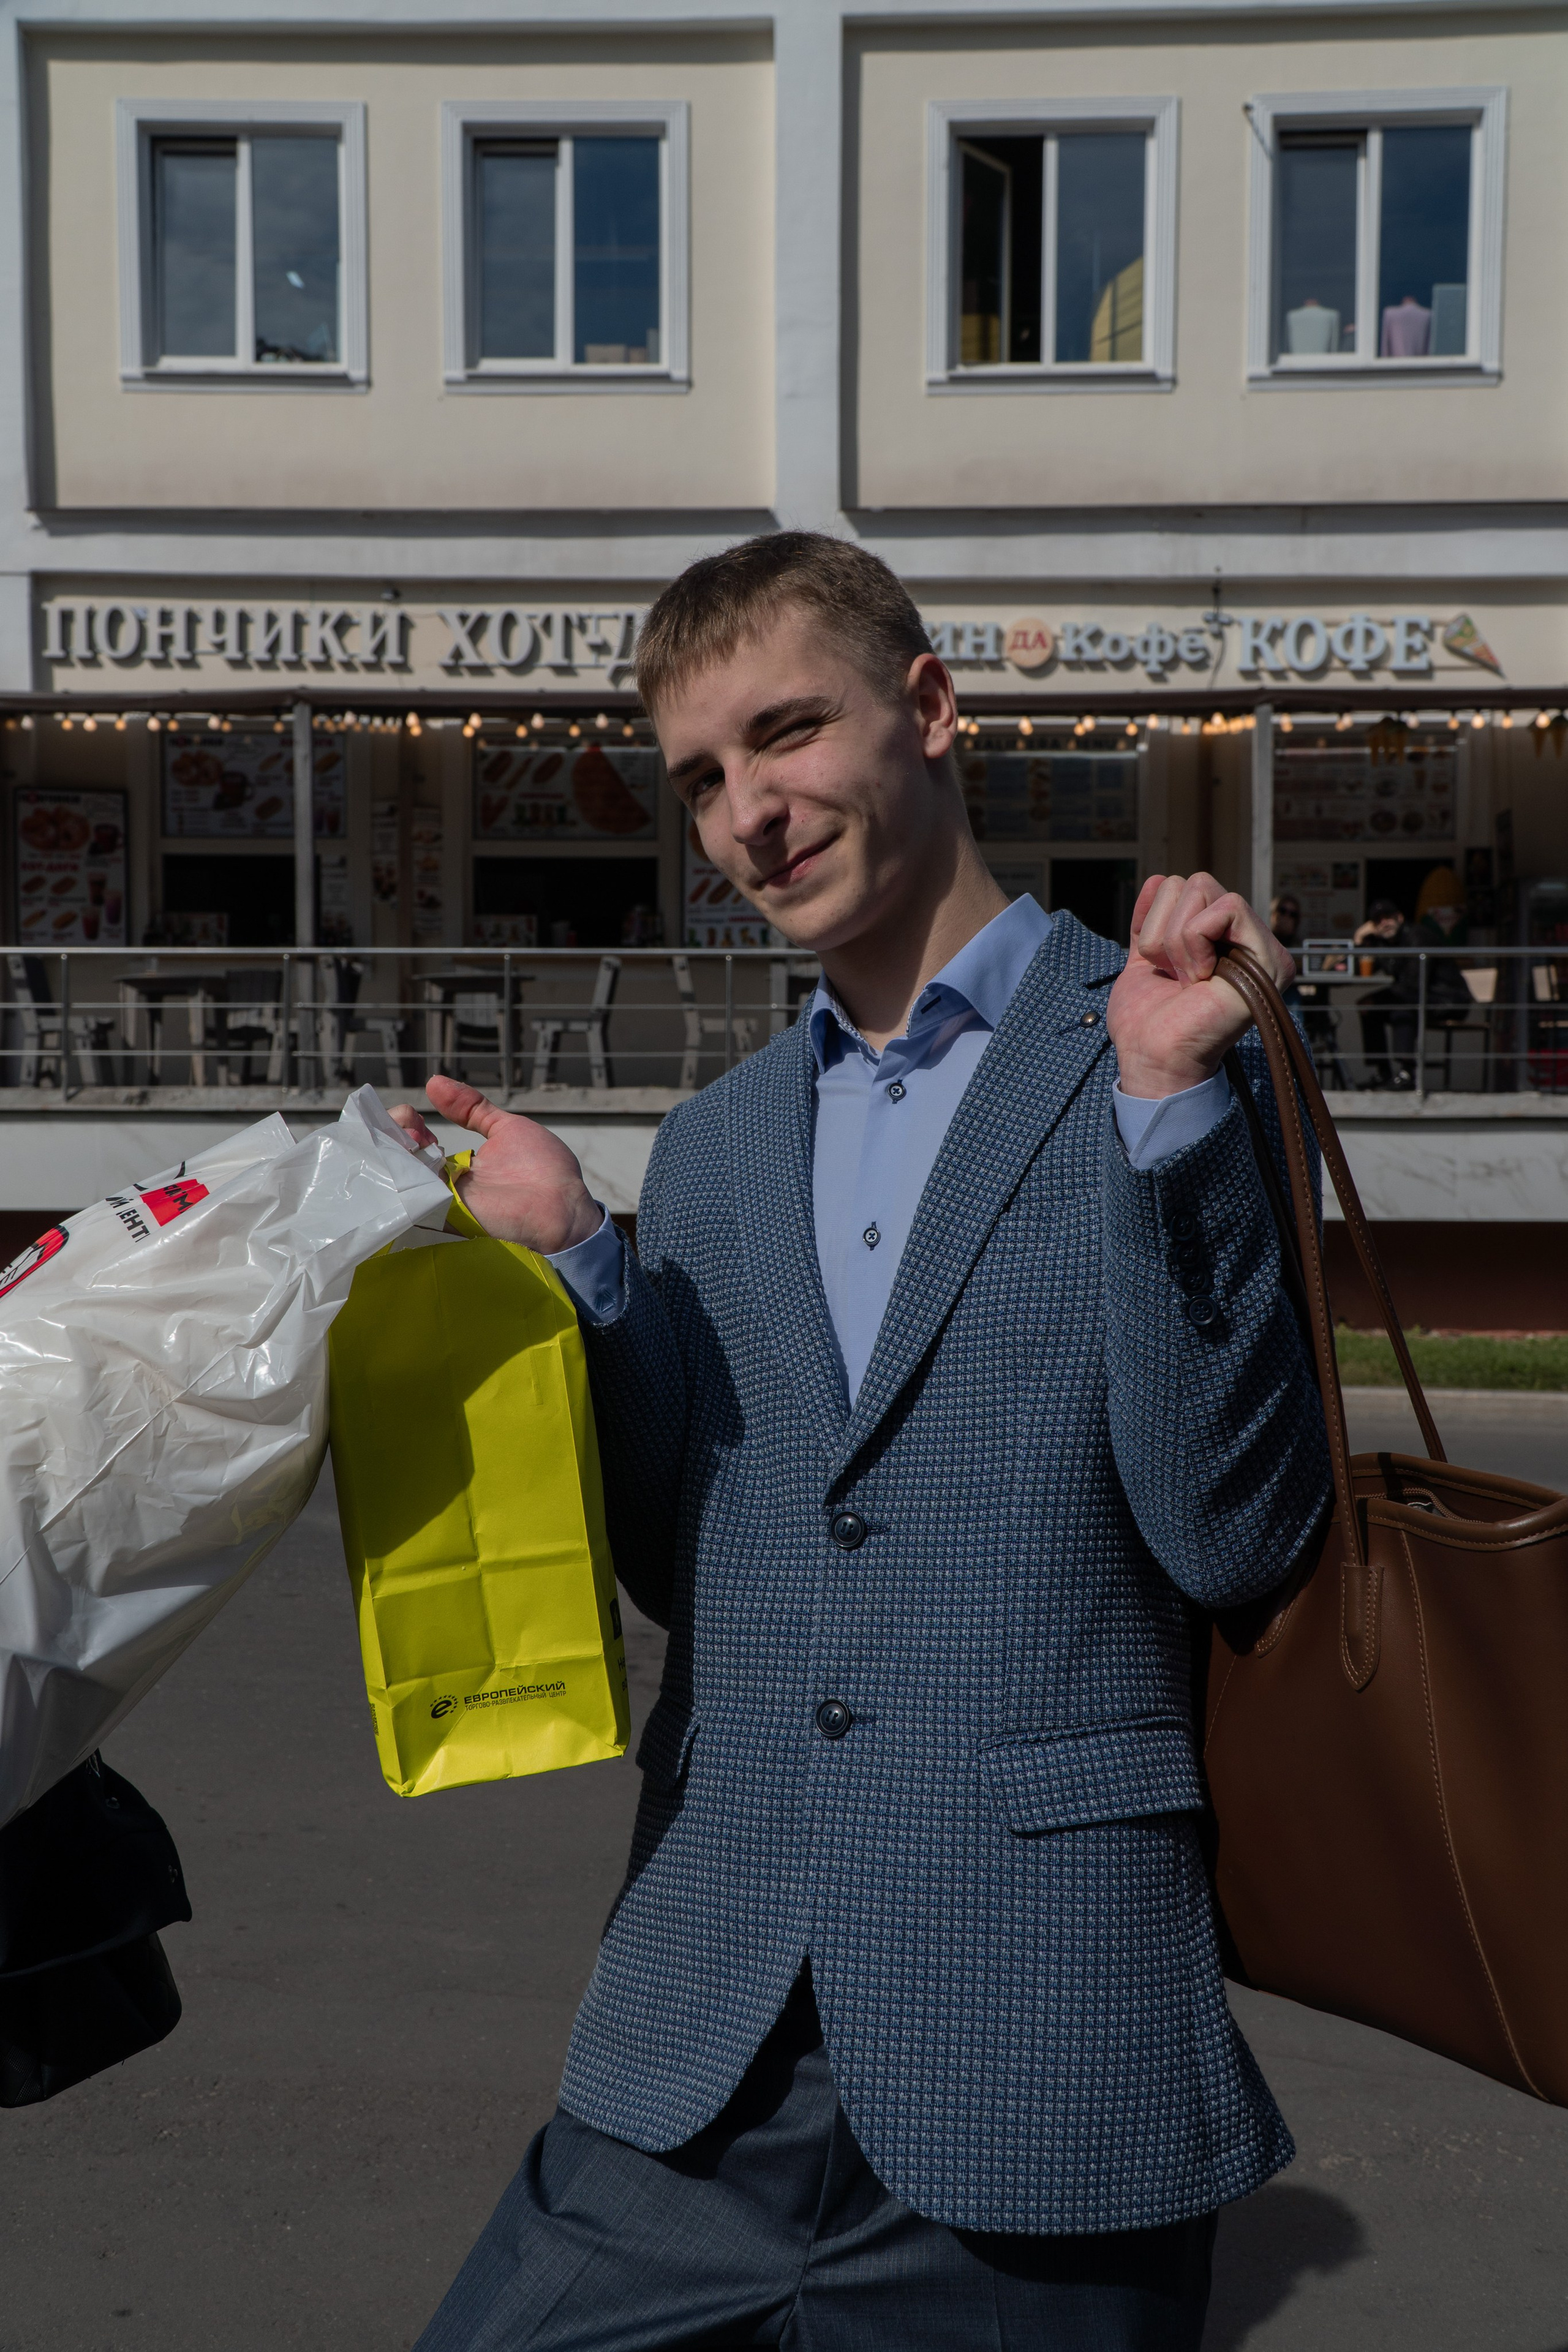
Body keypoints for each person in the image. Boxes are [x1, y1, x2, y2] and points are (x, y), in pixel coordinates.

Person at [394, 533, 1330, 2351]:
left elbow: (1234, 1536)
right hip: (700, 2041)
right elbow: (694, 1569)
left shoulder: (1173, 1049)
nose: (746, 813)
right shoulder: (716, 1145)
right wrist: (586, 1262)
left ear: (932, 707)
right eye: (699, 778)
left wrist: (1163, 1103)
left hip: (1046, 2051)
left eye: (786, 732)